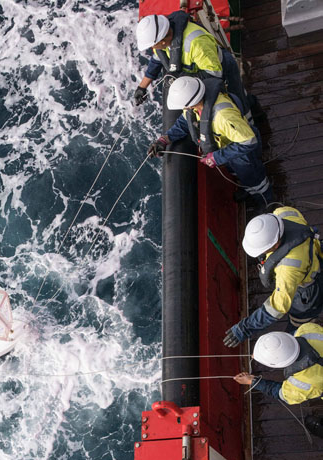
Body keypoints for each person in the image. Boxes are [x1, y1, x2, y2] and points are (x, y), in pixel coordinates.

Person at [148, 76, 271, 205]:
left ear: (191, 104)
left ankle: (266, 202)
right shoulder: (195, 107)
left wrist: (217, 157)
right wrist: (165, 139)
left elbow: (249, 141)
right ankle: (249, 189)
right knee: (240, 175)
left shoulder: (223, 116)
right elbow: (184, 123)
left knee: (255, 179)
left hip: (242, 154)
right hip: (226, 151)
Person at [224, 207, 323, 347]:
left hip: (307, 291)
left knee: (300, 320)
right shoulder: (283, 213)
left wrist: (245, 328)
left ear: (275, 244)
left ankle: (298, 334)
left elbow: (278, 306)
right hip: (315, 256)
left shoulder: (288, 268)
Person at [134, 12, 248, 114]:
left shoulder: (196, 43)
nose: (151, 48)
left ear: (162, 41)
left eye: (152, 45)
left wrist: (181, 78)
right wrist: (142, 87)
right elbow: (156, 60)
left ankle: (254, 118)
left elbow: (215, 73)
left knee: (239, 100)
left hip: (222, 68)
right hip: (199, 72)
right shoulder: (163, 40)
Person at [234, 324, 323, 405]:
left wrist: (252, 381)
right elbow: (288, 340)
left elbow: (281, 393)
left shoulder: (304, 384)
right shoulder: (308, 329)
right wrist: (263, 353)